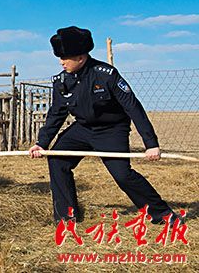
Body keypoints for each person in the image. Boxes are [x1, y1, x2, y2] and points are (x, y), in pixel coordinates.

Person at [29, 26, 179, 224]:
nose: (61, 62)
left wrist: (151, 144)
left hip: (111, 130)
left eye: (65, 57)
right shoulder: (61, 81)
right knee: (57, 160)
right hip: (83, 129)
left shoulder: (106, 75)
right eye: (60, 57)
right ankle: (66, 216)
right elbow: (56, 113)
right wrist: (41, 143)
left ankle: (163, 215)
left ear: (81, 57)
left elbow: (133, 108)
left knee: (122, 175)